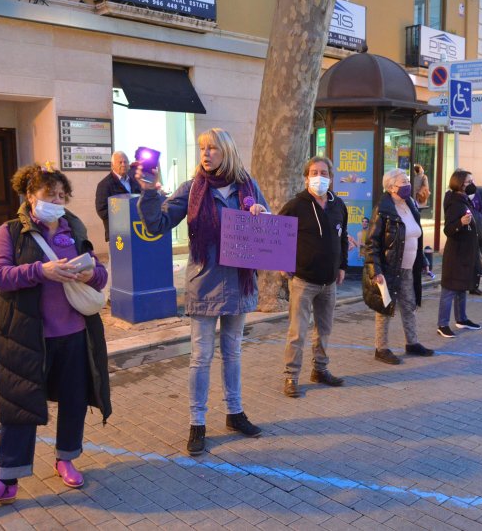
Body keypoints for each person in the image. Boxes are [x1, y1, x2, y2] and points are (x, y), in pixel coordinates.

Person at [0, 164, 110, 506]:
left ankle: (65, 458)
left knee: (74, 400)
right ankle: (7, 480)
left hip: (73, 333)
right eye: (48, 194)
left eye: (61, 195)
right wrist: (41, 271)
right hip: (27, 337)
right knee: (19, 404)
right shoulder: (10, 232)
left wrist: (88, 275)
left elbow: (100, 274)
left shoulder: (74, 227)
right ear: (30, 196)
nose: (56, 201)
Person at [136, 128, 267, 456]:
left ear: (227, 151)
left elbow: (268, 229)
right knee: (201, 356)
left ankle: (235, 413)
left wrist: (259, 217)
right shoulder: (192, 189)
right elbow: (157, 225)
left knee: (233, 352)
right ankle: (197, 422)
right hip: (204, 283)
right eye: (202, 149)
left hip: (239, 283)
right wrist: (150, 193)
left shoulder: (247, 187)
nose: (205, 154)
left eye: (212, 148)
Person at [278, 156, 347, 398]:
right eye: (314, 172)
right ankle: (290, 377)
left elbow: (343, 237)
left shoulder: (339, 205)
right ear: (306, 177)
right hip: (303, 281)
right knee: (297, 332)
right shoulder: (296, 205)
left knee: (324, 329)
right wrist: (281, 263)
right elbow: (278, 233)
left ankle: (320, 369)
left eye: (324, 172)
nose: (319, 177)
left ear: (331, 177)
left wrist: (342, 266)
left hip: (329, 282)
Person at [363, 168, 433, 365]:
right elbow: (372, 243)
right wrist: (376, 270)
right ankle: (381, 348)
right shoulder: (383, 209)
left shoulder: (410, 204)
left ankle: (412, 343)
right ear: (391, 186)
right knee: (385, 308)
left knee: (409, 305)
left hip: (409, 267)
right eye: (404, 181)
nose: (408, 184)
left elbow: (415, 237)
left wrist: (424, 262)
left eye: (407, 180)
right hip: (389, 268)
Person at [437, 169, 482, 337]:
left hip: (466, 251)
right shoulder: (455, 203)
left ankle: (461, 319)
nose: (472, 184)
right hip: (456, 252)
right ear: (459, 183)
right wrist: (461, 223)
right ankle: (442, 324)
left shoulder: (464, 200)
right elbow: (448, 229)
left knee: (462, 286)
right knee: (449, 289)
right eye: (468, 181)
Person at [95, 151, 142, 243]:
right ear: (112, 165)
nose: (123, 164)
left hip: (135, 231)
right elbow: (102, 210)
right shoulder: (104, 185)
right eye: (120, 162)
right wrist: (122, 217)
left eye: (125, 162)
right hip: (117, 234)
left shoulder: (135, 182)